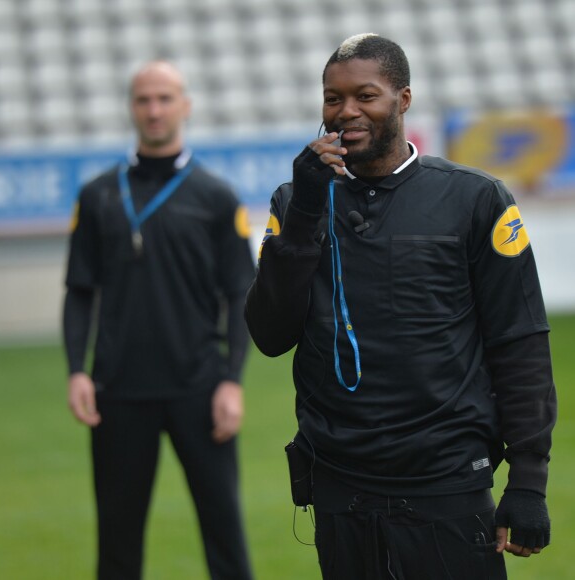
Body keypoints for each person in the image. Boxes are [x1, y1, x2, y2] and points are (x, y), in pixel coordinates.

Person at [245, 33, 557, 580]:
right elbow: (270, 334)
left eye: (365, 96)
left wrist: (528, 480)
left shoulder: (475, 198)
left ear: (403, 99)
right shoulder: (296, 201)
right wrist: (307, 213)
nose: (346, 112)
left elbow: (520, 340)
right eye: (332, 98)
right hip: (340, 484)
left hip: (447, 484)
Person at [62, 60, 255, 580]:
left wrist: (232, 381)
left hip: (199, 387)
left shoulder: (215, 196)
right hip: (118, 391)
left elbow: (241, 295)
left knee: (225, 536)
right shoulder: (98, 194)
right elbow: (79, 291)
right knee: (117, 544)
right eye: (144, 99)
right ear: (131, 107)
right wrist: (76, 369)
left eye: (165, 98)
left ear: (185, 106)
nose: (154, 109)